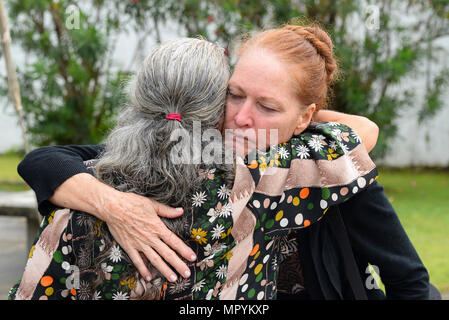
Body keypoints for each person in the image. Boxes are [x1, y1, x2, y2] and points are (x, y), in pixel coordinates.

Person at [13, 23, 429, 300]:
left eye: (267, 106)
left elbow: (408, 280)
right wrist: (117, 206)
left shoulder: (326, 169)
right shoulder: (186, 152)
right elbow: (45, 161)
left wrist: (304, 120)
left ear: (305, 117)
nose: (243, 117)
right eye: (234, 95)